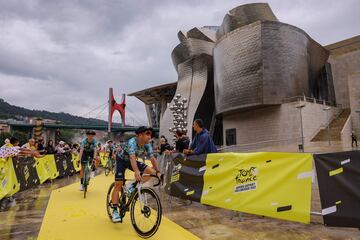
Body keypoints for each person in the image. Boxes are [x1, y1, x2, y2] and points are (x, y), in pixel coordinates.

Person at [111, 126, 162, 223]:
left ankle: (132, 187)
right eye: (147, 134)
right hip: (121, 160)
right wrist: (137, 171)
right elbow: (132, 157)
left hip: (131, 160)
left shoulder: (147, 144)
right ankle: (114, 211)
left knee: (151, 172)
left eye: (150, 134)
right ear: (139, 135)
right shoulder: (132, 142)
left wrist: (158, 172)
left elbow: (152, 158)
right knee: (118, 185)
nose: (149, 136)